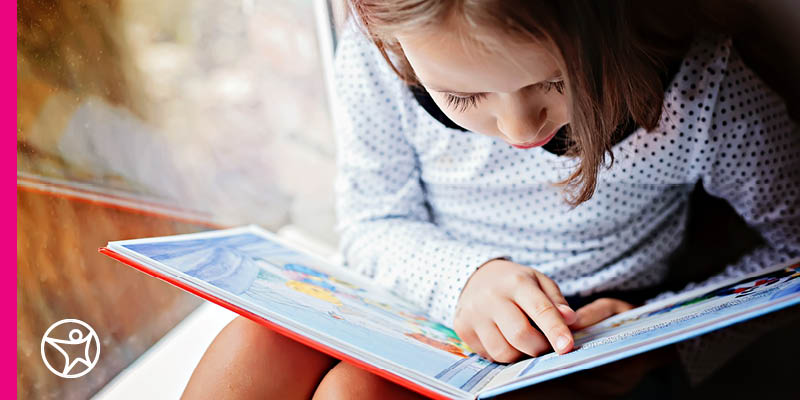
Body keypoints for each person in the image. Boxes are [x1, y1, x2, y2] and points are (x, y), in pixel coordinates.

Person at [182, 1, 800, 398]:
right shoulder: (380, 57)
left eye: (555, 83)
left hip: (586, 345)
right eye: (462, 97)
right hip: (425, 298)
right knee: (257, 340)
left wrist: (660, 332)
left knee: (354, 397)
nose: (519, 129)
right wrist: (464, 281)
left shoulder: (703, 96)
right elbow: (373, 222)